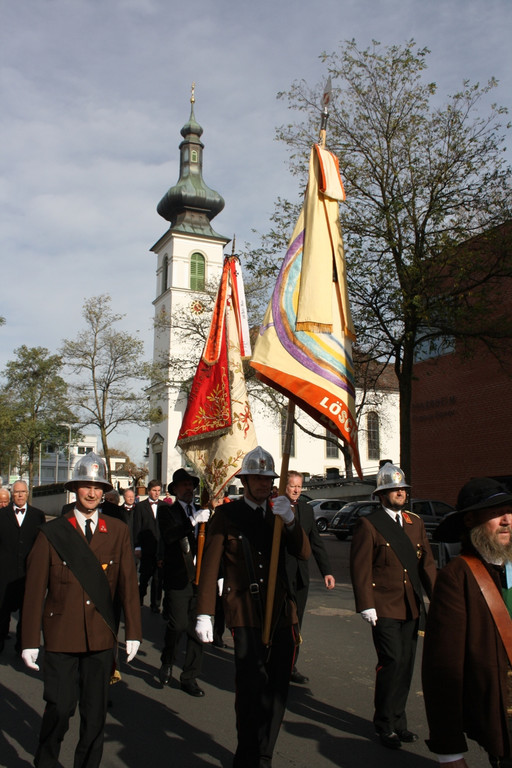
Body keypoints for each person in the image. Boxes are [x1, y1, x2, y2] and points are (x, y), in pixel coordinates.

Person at [21, 451, 141, 768]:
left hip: (100, 636)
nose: (91, 493)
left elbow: (128, 585)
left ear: (104, 492)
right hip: (61, 635)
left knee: (95, 714)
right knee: (60, 708)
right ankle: (46, 760)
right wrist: (29, 640)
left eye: (98, 487)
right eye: (86, 486)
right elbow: (34, 590)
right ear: (75, 488)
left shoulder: (117, 531)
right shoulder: (53, 533)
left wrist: (134, 632)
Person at [195, 446, 311, 768]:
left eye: (268, 478)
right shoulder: (228, 515)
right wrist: (205, 612)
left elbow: (303, 552)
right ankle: (246, 754)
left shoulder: (280, 512)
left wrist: (290, 521)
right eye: (257, 478)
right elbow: (210, 566)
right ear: (244, 481)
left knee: (277, 688)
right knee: (249, 688)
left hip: (281, 614)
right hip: (245, 612)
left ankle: (265, 753)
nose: (263, 484)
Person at [422, 477, 512, 768]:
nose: (507, 520)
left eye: (510, 511)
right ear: (470, 520)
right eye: (496, 513)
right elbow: (443, 670)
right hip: (505, 718)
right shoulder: (457, 577)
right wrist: (449, 752)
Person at [350, 462, 436, 749]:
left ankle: (399, 721)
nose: (401, 493)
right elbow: (361, 567)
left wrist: (438, 599)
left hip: (411, 605)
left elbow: (427, 565)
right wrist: (366, 603)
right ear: (381, 494)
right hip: (383, 606)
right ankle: (384, 723)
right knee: (392, 661)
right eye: (394, 489)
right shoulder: (369, 524)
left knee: (406, 665)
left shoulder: (415, 523)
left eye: (403, 489)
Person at [157, 468, 209, 696]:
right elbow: (170, 536)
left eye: (191, 485)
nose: (188, 488)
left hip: (201, 580)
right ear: (175, 489)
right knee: (178, 625)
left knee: (197, 630)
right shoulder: (167, 511)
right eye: (184, 485)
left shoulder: (202, 511)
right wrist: (192, 521)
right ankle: (167, 660)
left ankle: (190, 677)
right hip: (178, 578)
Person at [284, 470, 335, 684]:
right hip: (280, 576)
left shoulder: (306, 509)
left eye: (299, 486)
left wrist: (327, 571)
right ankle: (274, 663)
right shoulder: (275, 507)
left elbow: (316, 542)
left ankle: (291, 665)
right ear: (284, 486)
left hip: (300, 576)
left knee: (297, 622)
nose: (296, 490)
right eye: (292, 486)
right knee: (281, 622)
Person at [0, 480, 46, 654]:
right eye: (16, 492)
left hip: (28, 573)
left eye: (23, 492)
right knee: (2, 612)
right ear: (12, 494)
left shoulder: (37, 515)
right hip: (5, 573)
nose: (20, 495)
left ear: (27, 493)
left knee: (26, 613)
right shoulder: (2, 514)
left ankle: (22, 646)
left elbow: (41, 544)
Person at [133, 479, 164, 613]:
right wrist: (137, 547)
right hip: (146, 548)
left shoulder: (165, 506)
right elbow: (137, 527)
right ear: (149, 491)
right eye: (154, 490)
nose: (156, 493)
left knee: (158, 579)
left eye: (158, 491)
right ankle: (139, 598)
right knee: (145, 577)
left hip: (160, 548)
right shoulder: (140, 507)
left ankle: (155, 604)